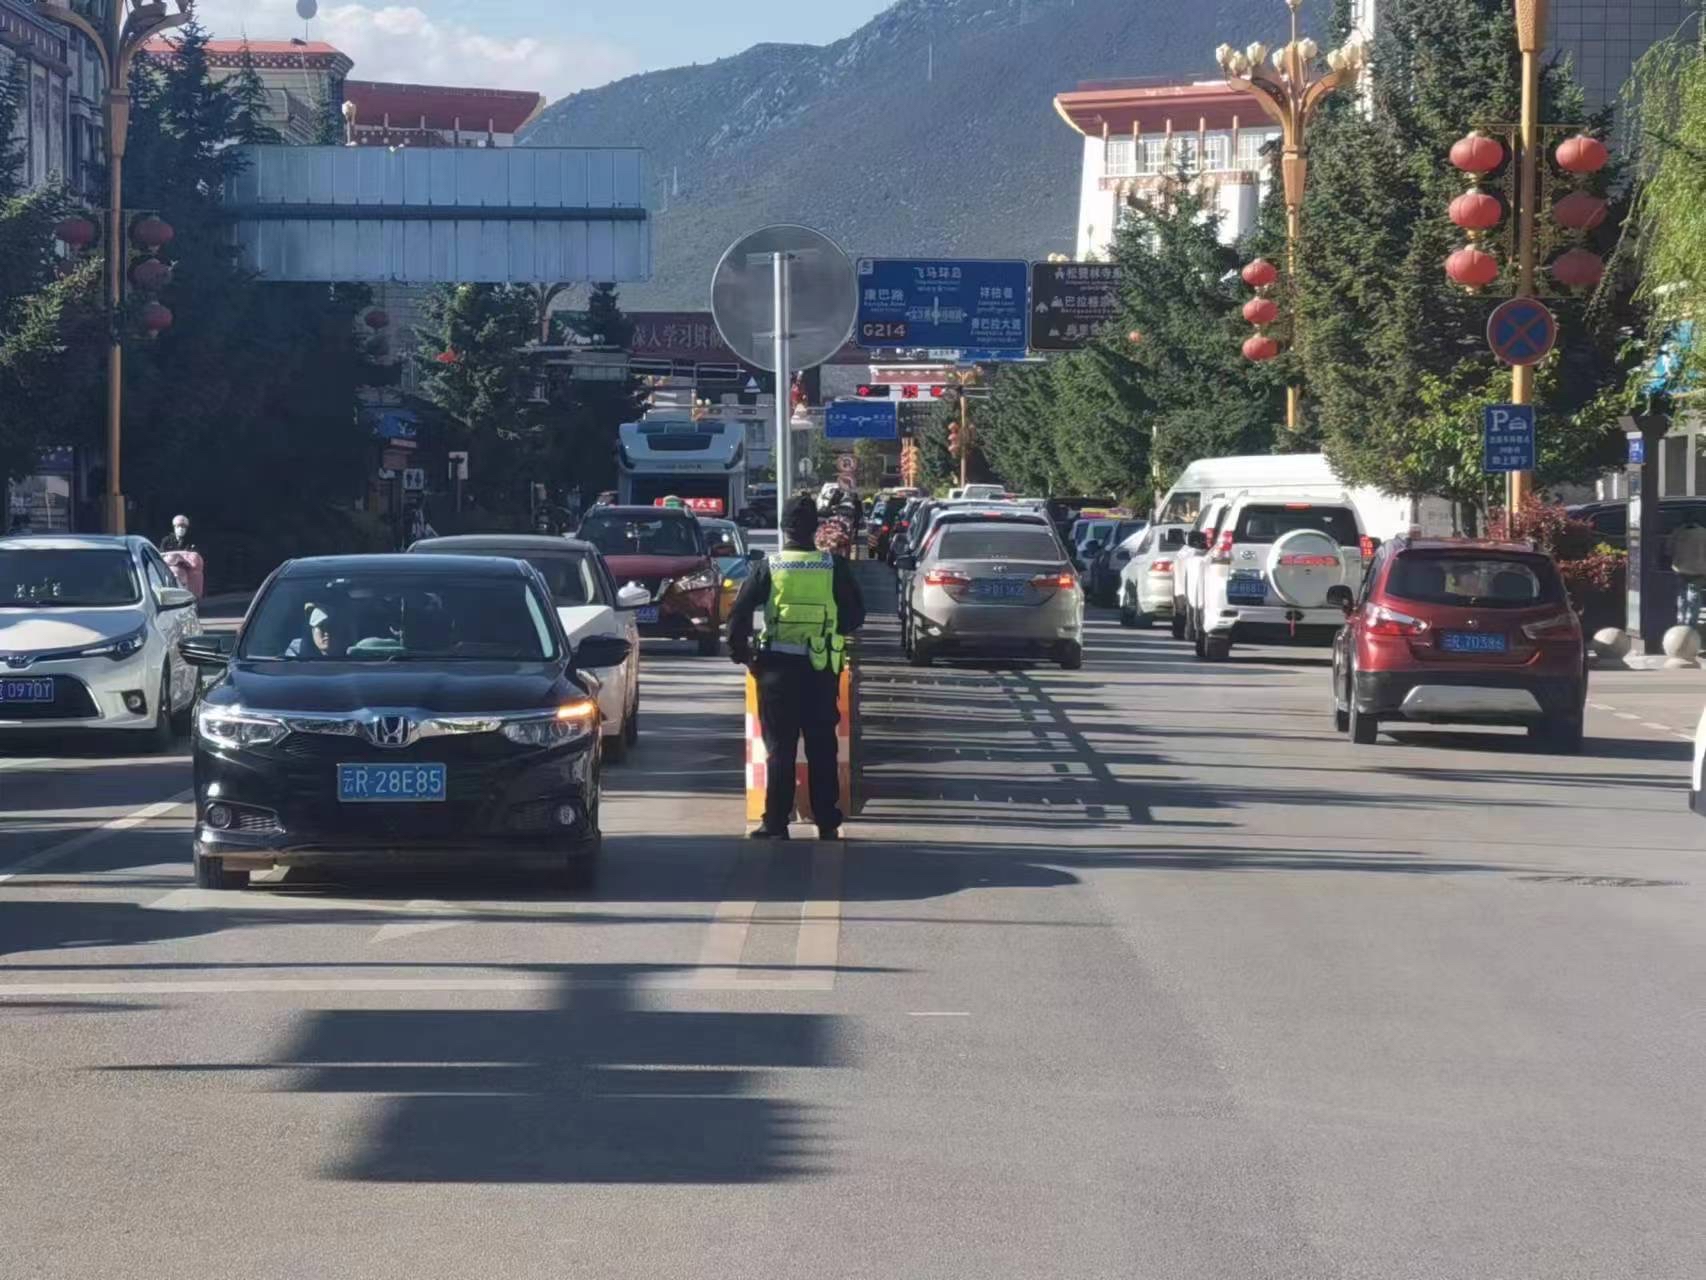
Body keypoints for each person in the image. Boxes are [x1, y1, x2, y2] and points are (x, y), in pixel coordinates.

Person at [727, 496, 865, 839]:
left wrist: (743, 654)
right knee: (822, 746)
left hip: (776, 671)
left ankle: (776, 822)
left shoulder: (769, 567)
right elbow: (855, 614)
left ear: (783, 527)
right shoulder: (833, 567)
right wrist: (828, 633)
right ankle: (827, 821)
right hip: (820, 670)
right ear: (815, 528)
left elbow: (739, 614)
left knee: (780, 748)